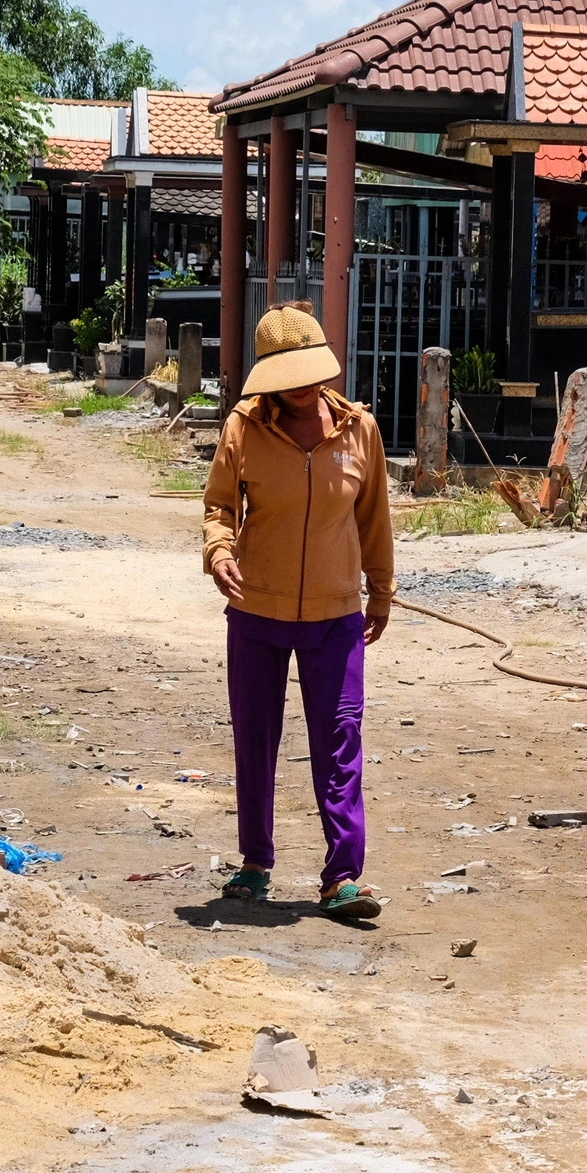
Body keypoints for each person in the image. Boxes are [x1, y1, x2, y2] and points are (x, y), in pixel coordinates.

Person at [201, 302, 393, 920]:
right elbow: (220, 507)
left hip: (336, 616)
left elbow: (375, 520)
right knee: (255, 737)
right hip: (256, 611)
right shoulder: (243, 426)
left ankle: (343, 877)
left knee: (340, 739)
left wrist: (381, 590)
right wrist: (217, 549)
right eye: (292, 376)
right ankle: (256, 863)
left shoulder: (359, 429)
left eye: (312, 372)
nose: (305, 387)